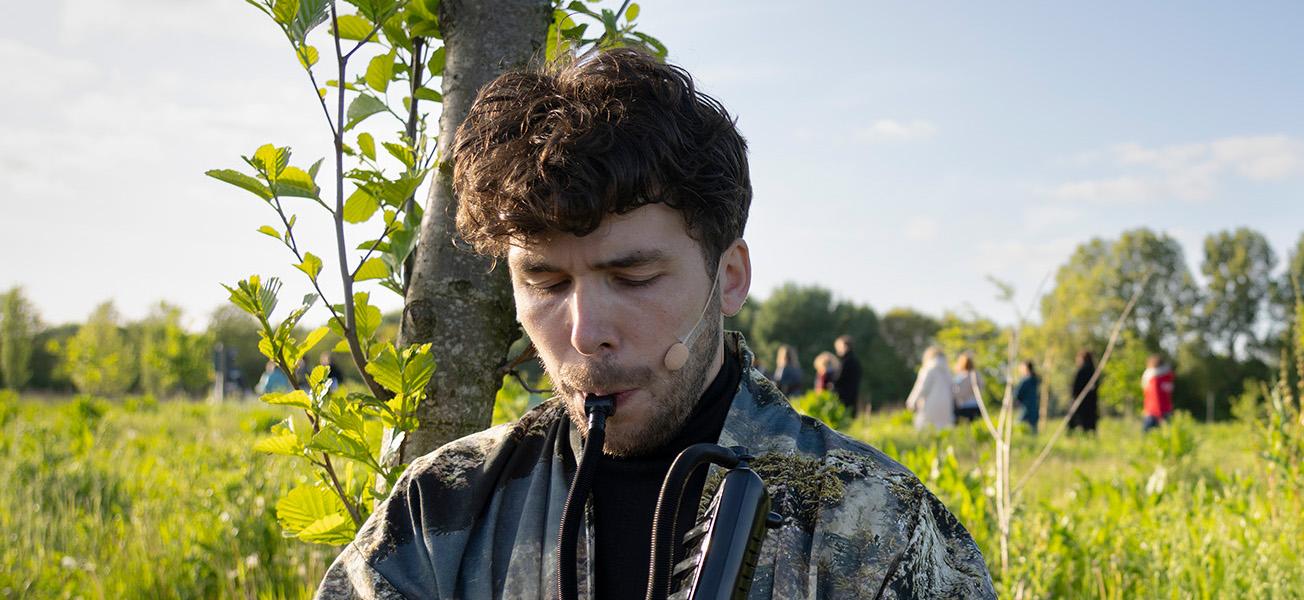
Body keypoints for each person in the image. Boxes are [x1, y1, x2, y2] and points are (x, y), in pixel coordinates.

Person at [315, 49, 991, 599]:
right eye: (545, 282)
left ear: (729, 278)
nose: (585, 333)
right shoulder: (440, 512)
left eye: (633, 279)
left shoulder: (876, 526)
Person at [907, 347, 958, 431]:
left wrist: (912, 401)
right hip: (946, 405)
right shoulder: (947, 371)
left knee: (926, 428)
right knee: (943, 429)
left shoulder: (928, 369)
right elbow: (953, 388)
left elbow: (922, 388)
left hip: (930, 404)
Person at [1140, 355, 1175, 431]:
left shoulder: (1153, 379)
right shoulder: (1167, 377)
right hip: (1166, 410)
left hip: (1154, 412)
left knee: (1147, 437)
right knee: (1166, 437)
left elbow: (1156, 398)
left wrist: (1159, 415)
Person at [1069, 350, 1101, 433]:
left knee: (1077, 421)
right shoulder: (1093, 371)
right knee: (1089, 424)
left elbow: (1075, 387)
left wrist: (1074, 398)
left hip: (1082, 402)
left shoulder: (1083, 371)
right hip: (1091, 402)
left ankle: (1075, 437)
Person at [834, 334, 864, 415]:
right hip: (853, 396)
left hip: (844, 398)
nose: (837, 349)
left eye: (838, 346)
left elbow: (839, 380)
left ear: (844, 346)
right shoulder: (855, 360)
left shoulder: (846, 362)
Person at [951, 354, 983, 423]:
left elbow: (959, 393)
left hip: (965, 407)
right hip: (976, 406)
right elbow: (981, 388)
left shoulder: (962, 377)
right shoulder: (977, 374)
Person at [1015, 361, 1042, 432]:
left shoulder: (1025, 380)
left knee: (1018, 426)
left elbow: (1017, 393)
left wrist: (1015, 401)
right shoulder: (1035, 379)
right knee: (1033, 428)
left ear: (1026, 368)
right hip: (1034, 407)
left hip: (1025, 407)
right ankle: (1034, 441)